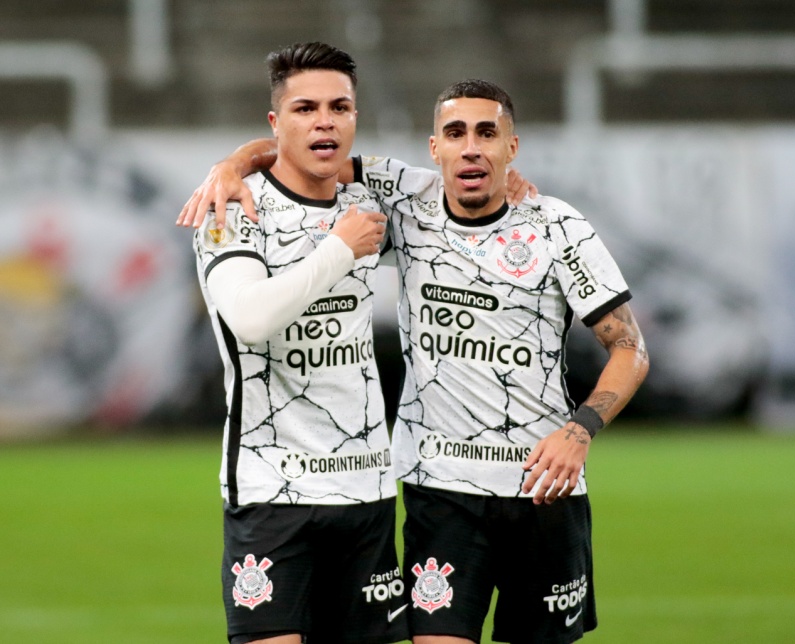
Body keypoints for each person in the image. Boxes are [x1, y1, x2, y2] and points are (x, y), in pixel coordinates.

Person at [182, 79, 649, 644]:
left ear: (512, 147)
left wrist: (581, 429)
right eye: (456, 133)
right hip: (441, 490)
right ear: (435, 149)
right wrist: (231, 164)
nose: (471, 147)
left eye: (487, 133)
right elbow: (301, 149)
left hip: (543, 491)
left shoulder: (557, 226)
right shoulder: (405, 200)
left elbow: (630, 347)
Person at [192, 41, 408, 644]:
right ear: (275, 122)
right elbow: (251, 319)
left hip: (365, 486)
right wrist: (339, 248)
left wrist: (511, 180)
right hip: (271, 490)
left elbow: (467, 190)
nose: (324, 121)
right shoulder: (230, 209)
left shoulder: (371, 202)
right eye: (305, 108)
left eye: (340, 107)